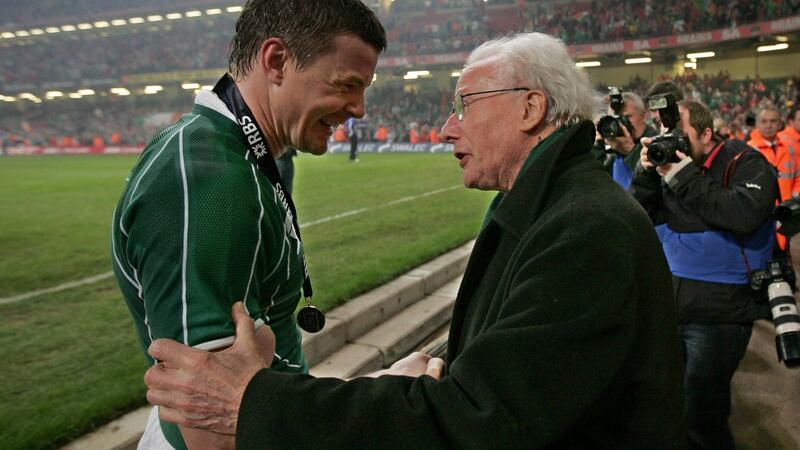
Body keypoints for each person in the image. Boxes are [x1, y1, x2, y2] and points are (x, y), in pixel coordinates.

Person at [144, 32, 686, 448]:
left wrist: (251, 401)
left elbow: (478, 419)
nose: (448, 129)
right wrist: (418, 372)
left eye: (465, 104)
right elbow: (511, 368)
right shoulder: (555, 205)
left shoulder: (584, 229)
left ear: (530, 108)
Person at [110, 1, 386, 448]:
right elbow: (209, 428)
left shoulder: (234, 155)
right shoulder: (209, 181)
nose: (358, 108)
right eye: (348, 85)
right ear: (276, 61)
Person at [630, 100, 778, 450]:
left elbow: (742, 214)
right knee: (672, 405)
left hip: (720, 315)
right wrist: (645, 173)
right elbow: (634, 216)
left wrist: (681, 175)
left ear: (707, 133)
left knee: (703, 415)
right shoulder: (668, 166)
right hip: (672, 306)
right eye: (666, 132)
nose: (671, 140)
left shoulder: (745, 162)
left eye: (680, 133)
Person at [748, 106, 799, 249]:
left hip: (788, 214)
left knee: (786, 257)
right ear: (757, 124)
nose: (768, 125)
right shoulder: (748, 150)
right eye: (764, 121)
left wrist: (793, 200)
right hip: (763, 217)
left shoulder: (790, 148)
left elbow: (798, 177)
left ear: (780, 124)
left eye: (773, 121)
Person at [604, 92, 659, 189]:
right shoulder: (613, 142)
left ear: (644, 116)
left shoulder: (655, 142)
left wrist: (631, 151)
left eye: (628, 116)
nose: (621, 123)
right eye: (616, 118)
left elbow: (654, 184)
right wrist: (597, 147)